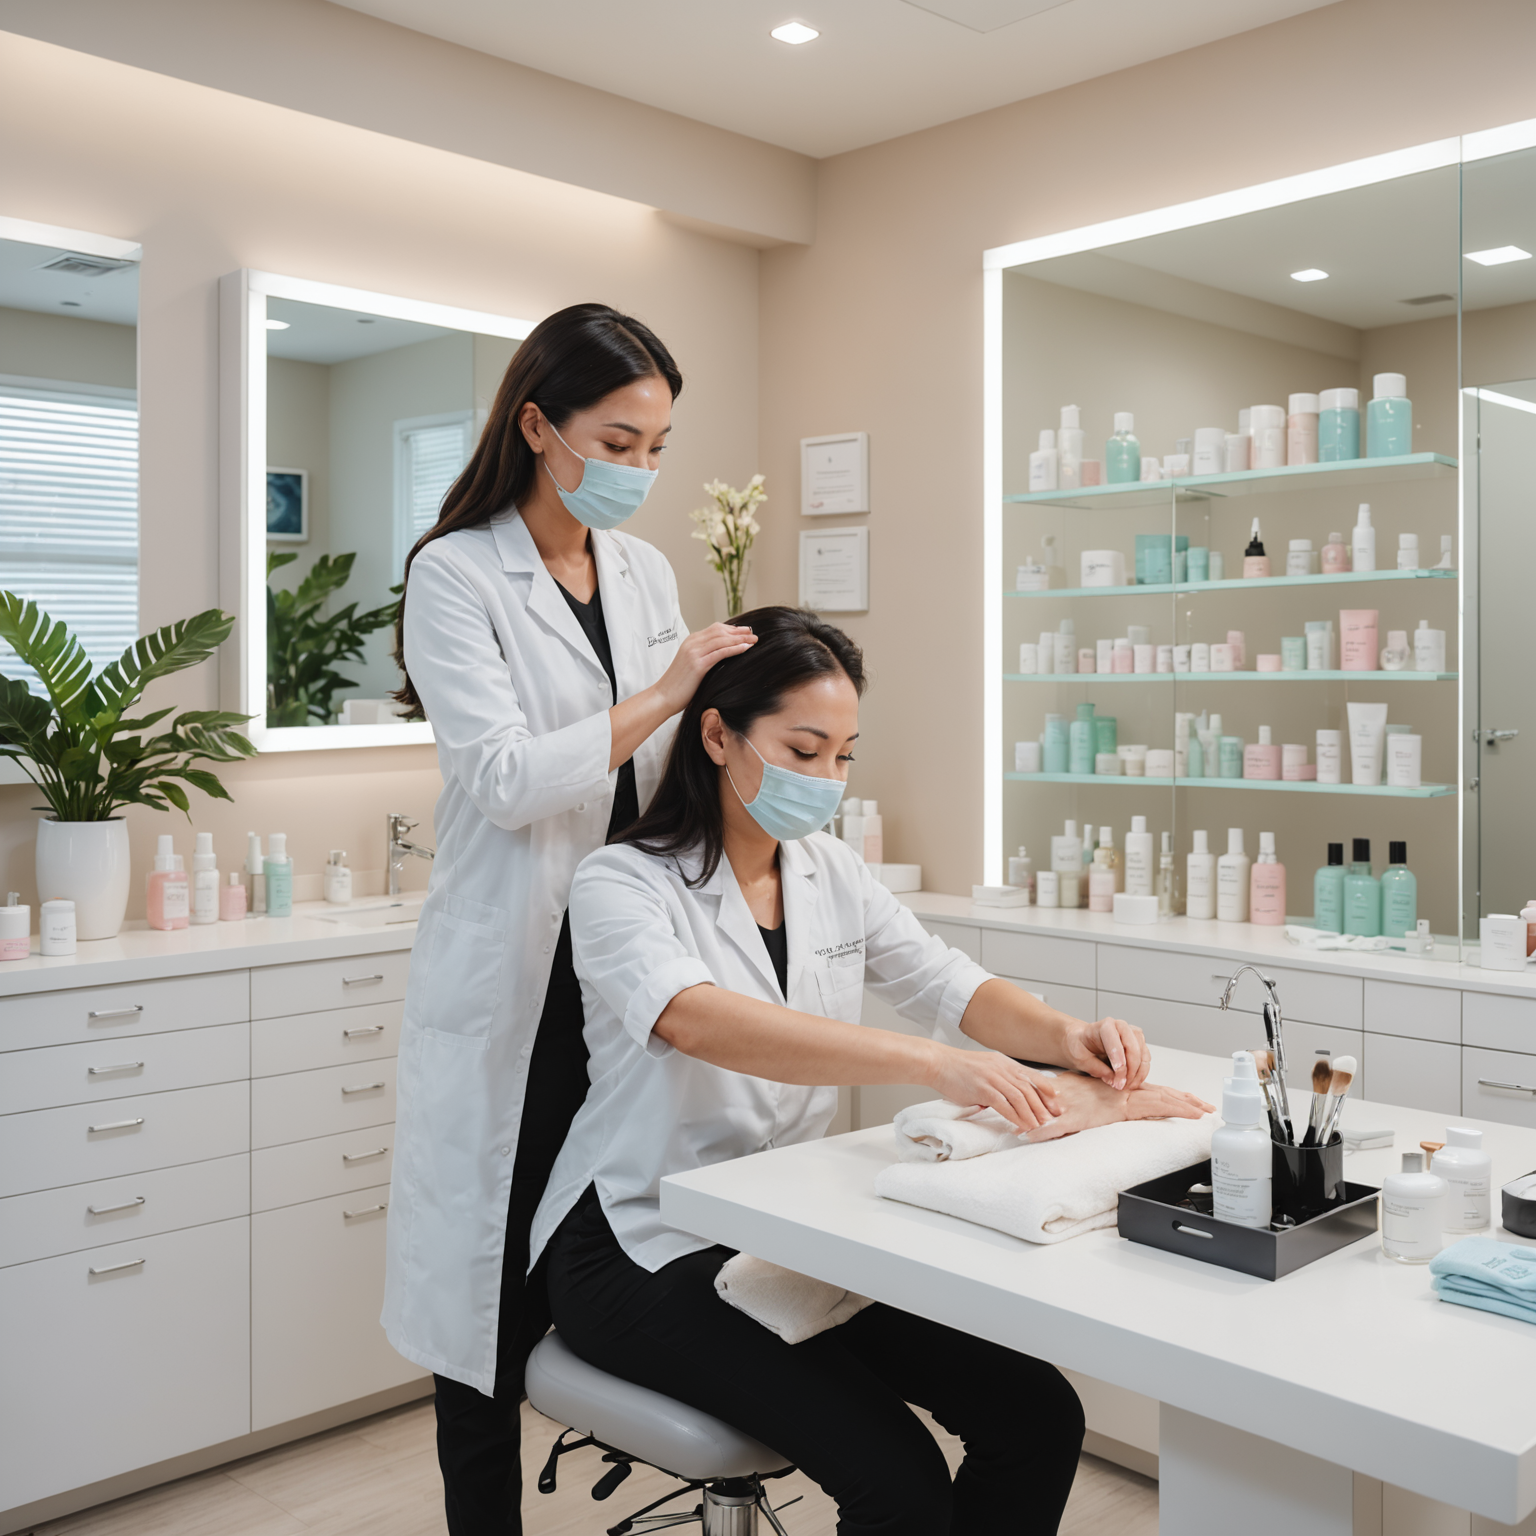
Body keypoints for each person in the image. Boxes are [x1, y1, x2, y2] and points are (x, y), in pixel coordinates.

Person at [530, 605, 1212, 1536]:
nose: (827, 779)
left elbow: (947, 983)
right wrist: (932, 1064)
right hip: (641, 1241)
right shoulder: (626, 881)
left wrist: (1067, 1034)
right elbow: (695, 1021)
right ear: (718, 735)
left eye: (844, 755)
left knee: (1037, 1416)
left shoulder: (829, 871)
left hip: (786, 1233)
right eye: (804, 749)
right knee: (898, 1480)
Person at [381, 303, 756, 1536]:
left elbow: (658, 780)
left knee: (618, 1256)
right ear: (538, 425)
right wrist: (664, 692)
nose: (641, 471)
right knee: (482, 1310)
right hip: (510, 993)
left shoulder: (644, 571)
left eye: (658, 447)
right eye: (619, 440)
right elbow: (503, 778)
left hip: (620, 980)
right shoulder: (453, 572)